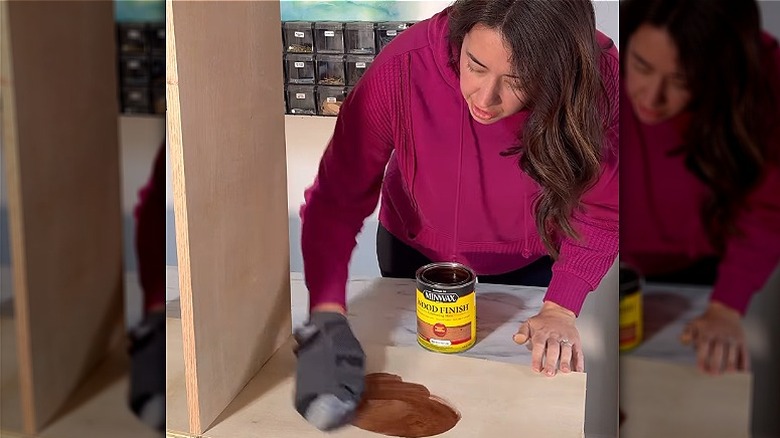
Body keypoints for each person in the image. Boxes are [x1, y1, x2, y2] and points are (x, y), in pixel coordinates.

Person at [293, 0, 619, 431]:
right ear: (460, 38)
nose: (484, 99)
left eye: (518, 81)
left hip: (535, 265)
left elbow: (603, 209)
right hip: (414, 254)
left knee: (510, 408)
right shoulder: (403, 66)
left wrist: (560, 307)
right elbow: (337, 196)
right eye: (475, 64)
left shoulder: (601, 78)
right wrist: (327, 311)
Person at [620, 0, 780, 375]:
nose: (651, 97)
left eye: (682, 81)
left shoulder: (765, 76)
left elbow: (768, 206)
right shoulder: (594, 55)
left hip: (701, 269)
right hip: (595, 259)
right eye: (641, 66)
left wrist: (726, 305)